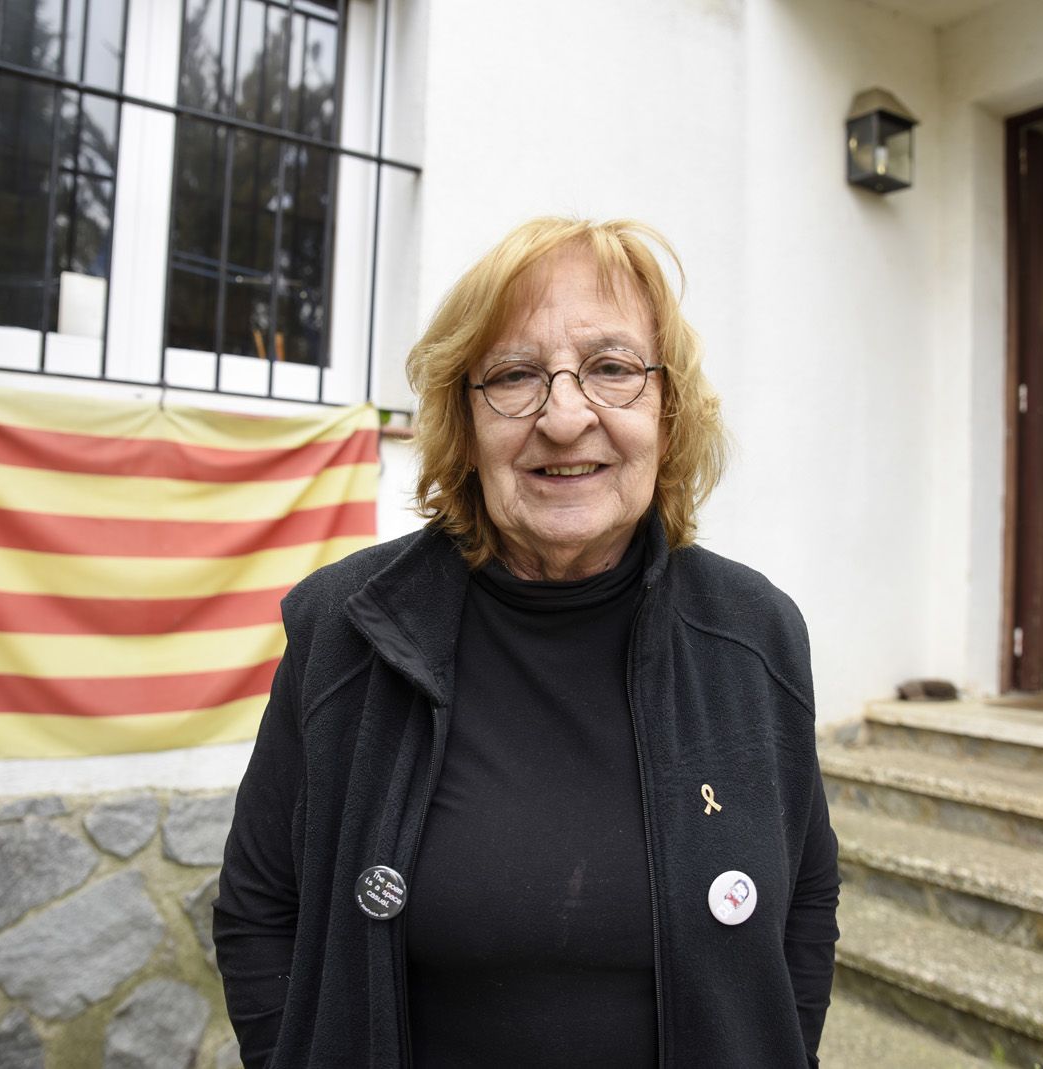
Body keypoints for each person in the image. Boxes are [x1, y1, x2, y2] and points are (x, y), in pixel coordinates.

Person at [214, 217, 839, 1068]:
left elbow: (802, 899)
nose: (565, 416)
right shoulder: (343, 629)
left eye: (612, 369)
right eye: (514, 375)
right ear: (463, 423)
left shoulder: (756, 635)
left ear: (668, 407)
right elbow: (260, 909)